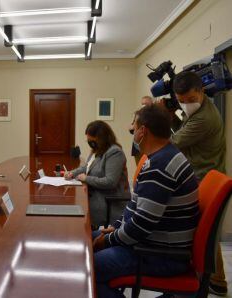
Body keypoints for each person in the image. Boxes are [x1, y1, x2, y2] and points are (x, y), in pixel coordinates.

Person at [93, 104, 199, 298]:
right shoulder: (162, 156)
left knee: (88, 267)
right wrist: (114, 228)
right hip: (153, 244)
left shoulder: (159, 166)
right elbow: (135, 208)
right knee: (86, 238)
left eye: (134, 125)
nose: (132, 130)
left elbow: (140, 226)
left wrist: (108, 240)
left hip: (159, 254)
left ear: (142, 131)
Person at [171, 71, 227, 296]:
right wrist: (172, 114)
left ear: (202, 91)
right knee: (207, 231)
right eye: (181, 101)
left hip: (204, 178)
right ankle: (216, 279)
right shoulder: (198, 110)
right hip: (200, 175)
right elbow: (183, 130)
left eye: (191, 100)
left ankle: (216, 279)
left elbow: (175, 142)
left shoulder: (205, 118)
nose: (186, 105)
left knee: (207, 232)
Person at [64, 120, 129, 227]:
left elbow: (110, 181)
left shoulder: (114, 152)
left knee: (78, 213)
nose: (90, 142)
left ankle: (90, 236)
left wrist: (86, 179)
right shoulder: (97, 150)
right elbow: (86, 167)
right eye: (88, 140)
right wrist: (72, 173)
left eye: (91, 140)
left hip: (108, 199)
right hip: (95, 192)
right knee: (74, 207)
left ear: (101, 138)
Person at [131, 96, 153, 164]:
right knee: (139, 170)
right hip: (137, 148)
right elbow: (132, 127)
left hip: (149, 147)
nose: (143, 106)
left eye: (146, 104)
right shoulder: (138, 114)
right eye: (142, 104)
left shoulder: (155, 115)